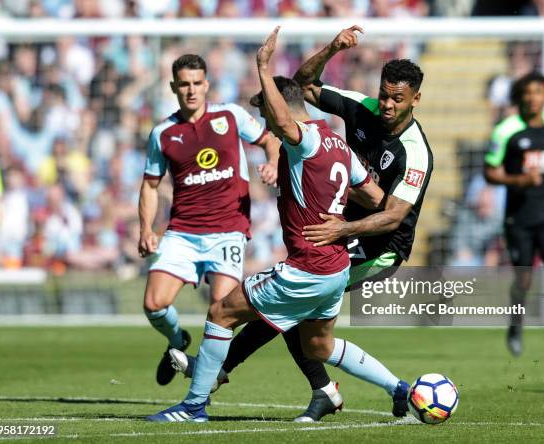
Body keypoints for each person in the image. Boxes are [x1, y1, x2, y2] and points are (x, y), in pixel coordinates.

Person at [146, 27, 410, 423]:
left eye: (265, 111)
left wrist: (263, 66)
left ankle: (194, 406)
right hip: (336, 266)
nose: (263, 120)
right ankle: (398, 388)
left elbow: (286, 123)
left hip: (309, 264)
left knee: (221, 312)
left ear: (282, 109)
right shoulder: (337, 144)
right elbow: (375, 199)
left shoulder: (302, 139)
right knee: (318, 348)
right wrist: (339, 216)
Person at [138, 53, 280, 387]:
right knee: (154, 304)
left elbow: (269, 140)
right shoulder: (163, 134)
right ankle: (178, 344)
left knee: (221, 312)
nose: (191, 90)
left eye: (197, 84)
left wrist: (272, 163)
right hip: (183, 232)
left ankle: (200, 388)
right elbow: (150, 184)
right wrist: (146, 228)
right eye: (184, 84)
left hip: (228, 231)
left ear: (207, 85)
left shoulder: (230, 116)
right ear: (174, 86)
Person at [484, 72, 544, 360]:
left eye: (538, 92)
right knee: (523, 280)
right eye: (527, 92)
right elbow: (490, 171)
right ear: (519, 97)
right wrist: (519, 181)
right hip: (519, 218)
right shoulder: (506, 130)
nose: (532, 97)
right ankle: (515, 328)